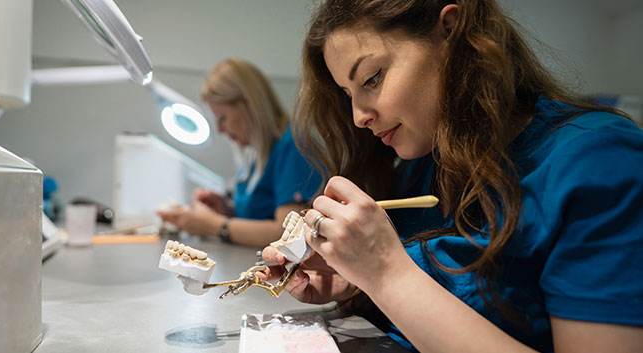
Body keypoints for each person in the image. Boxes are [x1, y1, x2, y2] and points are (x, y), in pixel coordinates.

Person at [261, 0, 643, 351]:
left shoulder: (600, 159)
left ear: (451, 31)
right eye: (348, 94)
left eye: (372, 78)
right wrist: (354, 282)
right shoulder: (425, 161)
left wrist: (385, 275)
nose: (359, 116)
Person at [158, 58, 321, 247]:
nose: (219, 130)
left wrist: (214, 225)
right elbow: (261, 212)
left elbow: (289, 234)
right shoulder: (257, 154)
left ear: (247, 103)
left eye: (223, 118)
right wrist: (227, 209)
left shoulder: (294, 147)